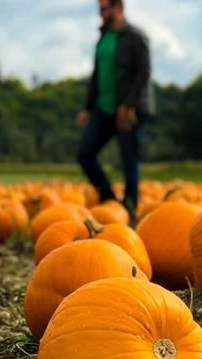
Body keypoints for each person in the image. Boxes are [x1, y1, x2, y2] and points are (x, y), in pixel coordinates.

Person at [76, 0, 153, 221]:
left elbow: (143, 73)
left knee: (129, 160)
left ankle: (130, 208)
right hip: (103, 107)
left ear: (119, 8)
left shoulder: (136, 36)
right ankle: (109, 199)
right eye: (100, 9)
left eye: (105, 8)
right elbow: (97, 75)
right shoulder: (103, 37)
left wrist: (128, 104)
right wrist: (87, 108)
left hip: (128, 109)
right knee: (84, 153)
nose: (101, 13)